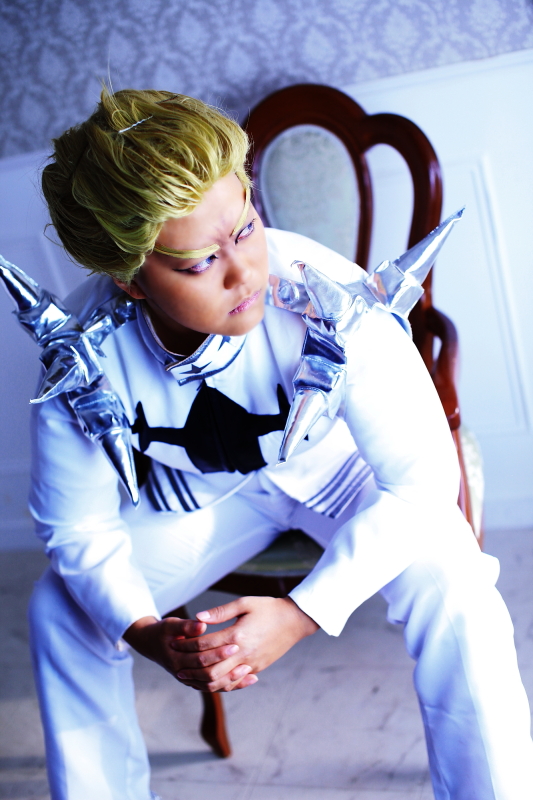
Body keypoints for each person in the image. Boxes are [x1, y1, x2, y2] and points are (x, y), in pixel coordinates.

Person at [23, 88, 532, 800]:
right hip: (200, 496)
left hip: (340, 473)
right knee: (60, 609)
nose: (245, 273)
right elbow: (75, 526)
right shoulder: (81, 356)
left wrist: (303, 612)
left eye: (246, 228)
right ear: (130, 282)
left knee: (456, 581)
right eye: (199, 263)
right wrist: (144, 632)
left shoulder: (330, 296)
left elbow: (421, 480)